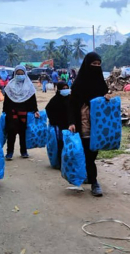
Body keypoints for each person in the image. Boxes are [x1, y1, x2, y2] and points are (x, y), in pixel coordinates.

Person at [68, 52, 110, 197]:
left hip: (98, 125)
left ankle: (88, 175)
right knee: (88, 153)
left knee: (92, 153)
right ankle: (94, 182)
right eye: (94, 64)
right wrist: (72, 122)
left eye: (99, 64)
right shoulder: (78, 85)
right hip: (84, 122)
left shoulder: (101, 84)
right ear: (87, 65)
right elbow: (72, 105)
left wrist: (106, 99)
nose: (96, 67)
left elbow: (105, 104)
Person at [3, 65, 40, 160]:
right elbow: (6, 100)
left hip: (24, 113)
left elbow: (33, 99)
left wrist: (35, 110)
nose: (20, 75)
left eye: (21, 73)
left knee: (23, 133)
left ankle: (23, 151)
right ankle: (9, 152)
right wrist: (4, 111)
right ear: (15, 74)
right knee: (11, 133)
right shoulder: (10, 86)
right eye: (18, 74)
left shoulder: (29, 86)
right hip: (12, 112)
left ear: (25, 74)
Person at [46, 81, 71, 165]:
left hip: (69, 125)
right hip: (58, 126)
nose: (65, 90)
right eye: (63, 89)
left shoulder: (71, 99)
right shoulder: (54, 100)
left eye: (66, 88)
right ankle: (60, 162)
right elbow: (48, 110)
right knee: (60, 144)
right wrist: (54, 121)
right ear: (59, 89)